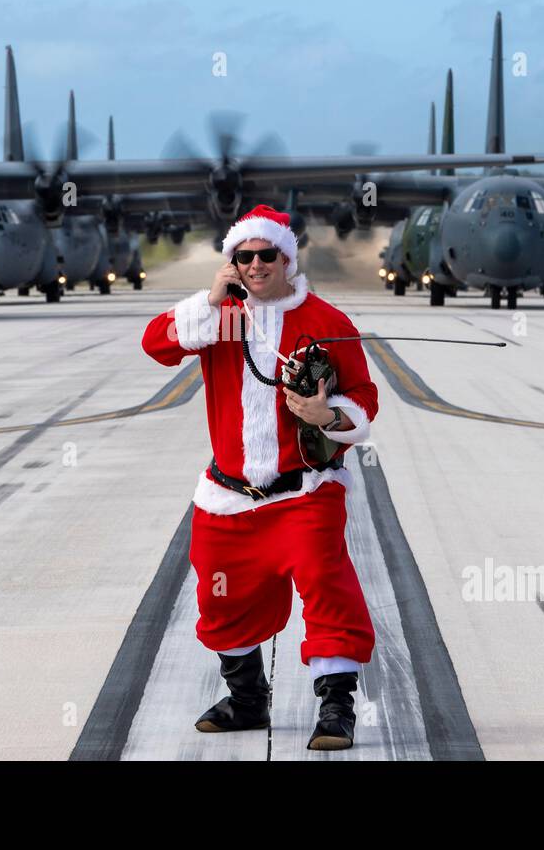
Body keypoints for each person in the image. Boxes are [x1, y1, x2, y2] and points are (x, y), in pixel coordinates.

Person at [141, 204, 379, 750]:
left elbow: (363, 398)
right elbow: (156, 344)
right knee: (221, 596)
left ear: (286, 258)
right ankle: (248, 699)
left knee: (326, 585)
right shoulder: (219, 319)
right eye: (242, 257)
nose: (254, 265)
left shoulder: (327, 321)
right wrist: (209, 299)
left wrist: (328, 417)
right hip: (228, 496)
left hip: (305, 493)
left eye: (265, 255)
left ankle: (336, 705)